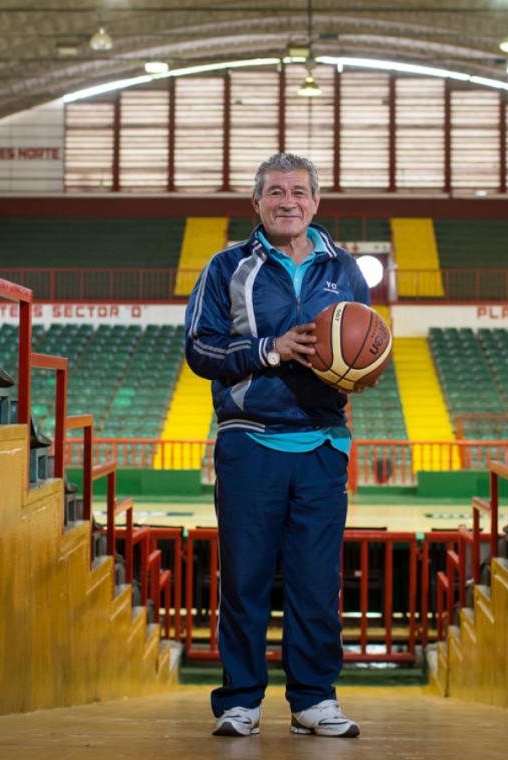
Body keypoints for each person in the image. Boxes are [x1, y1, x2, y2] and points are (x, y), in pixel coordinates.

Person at [184, 153, 369, 738]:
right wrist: (271, 348)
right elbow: (199, 349)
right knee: (245, 578)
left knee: (317, 580)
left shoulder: (345, 269)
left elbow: (368, 346)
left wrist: (357, 370)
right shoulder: (225, 267)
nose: (287, 200)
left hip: (322, 442)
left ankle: (314, 700)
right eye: (275, 192)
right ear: (256, 204)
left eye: (298, 191)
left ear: (316, 202)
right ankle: (240, 701)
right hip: (249, 440)